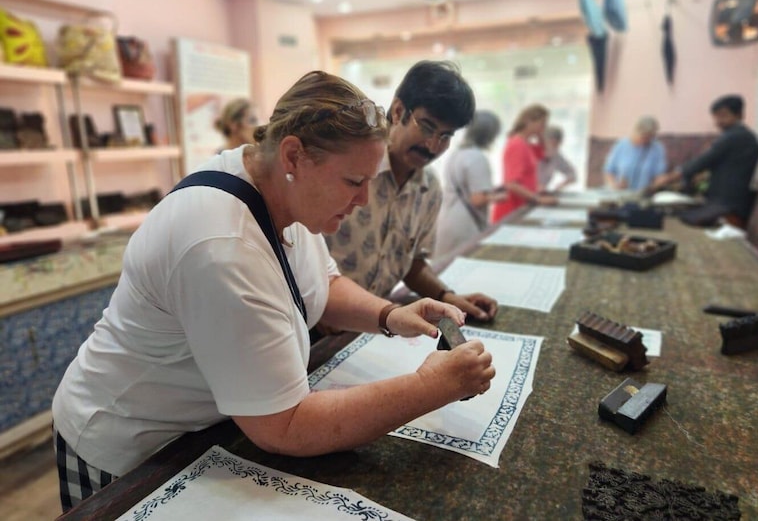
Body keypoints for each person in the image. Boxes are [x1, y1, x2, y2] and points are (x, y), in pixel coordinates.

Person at [51, 71, 495, 511]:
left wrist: (390, 316)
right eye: (354, 182)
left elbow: (323, 284)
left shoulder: (279, 188)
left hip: (203, 428)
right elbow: (285, 427)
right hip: (130, 444)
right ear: (293, 155)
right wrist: (430, 387)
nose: (363, 200)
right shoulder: (222, 246)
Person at [326, 61, 498, 323]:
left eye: (445, 136)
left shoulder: (429, 188)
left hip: (375, 322)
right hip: (319, 322)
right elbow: (299, 248)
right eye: (427, 127)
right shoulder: (349, 167)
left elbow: (412, 263)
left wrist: (447, 296)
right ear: (398, 111)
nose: (433, 145)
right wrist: (319, 306)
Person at [649, 94, 758, 227]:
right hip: (722, 203)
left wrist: (667, 178)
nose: (718, 121)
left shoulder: (736, 136)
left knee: (677, 218)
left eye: (723, 115)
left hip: (730, 207)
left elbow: (701, 162)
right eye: (716, 116)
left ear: (739, 115)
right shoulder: (740, 136)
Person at [434, 110, 506, 261]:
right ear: (490, 135)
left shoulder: (456, 153)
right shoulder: (477, 157)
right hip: (466, 225)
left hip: (447, 219)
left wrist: (490, 191)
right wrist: (500, 196)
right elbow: (477, 199)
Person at [491, 104, 558, 224]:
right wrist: (538, 199)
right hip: (511, 209)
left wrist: (541, 135)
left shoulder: (526, 144)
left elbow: (547, 154)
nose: (544, 128)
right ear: (528, 121)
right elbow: (511, 184)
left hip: (522, 205)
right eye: (542, 124)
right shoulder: (517, 145)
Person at [603, 116, 667, 190]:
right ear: (636, 132)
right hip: (621, 195)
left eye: (650, 138)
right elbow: (608, 171)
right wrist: (614, 185)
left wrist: (657, 183)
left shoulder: (656, 148)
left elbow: (659, 175)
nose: (646, 141)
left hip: (644, 195)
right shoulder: (621, 145)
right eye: (644, 137)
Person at [538, 125, 577, 192]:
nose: (553, 148)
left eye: (556, 145)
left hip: (541, 194)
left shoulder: (557, 157)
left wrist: (560, 186)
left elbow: (572, 174)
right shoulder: (531, 153)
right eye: (551, 143)